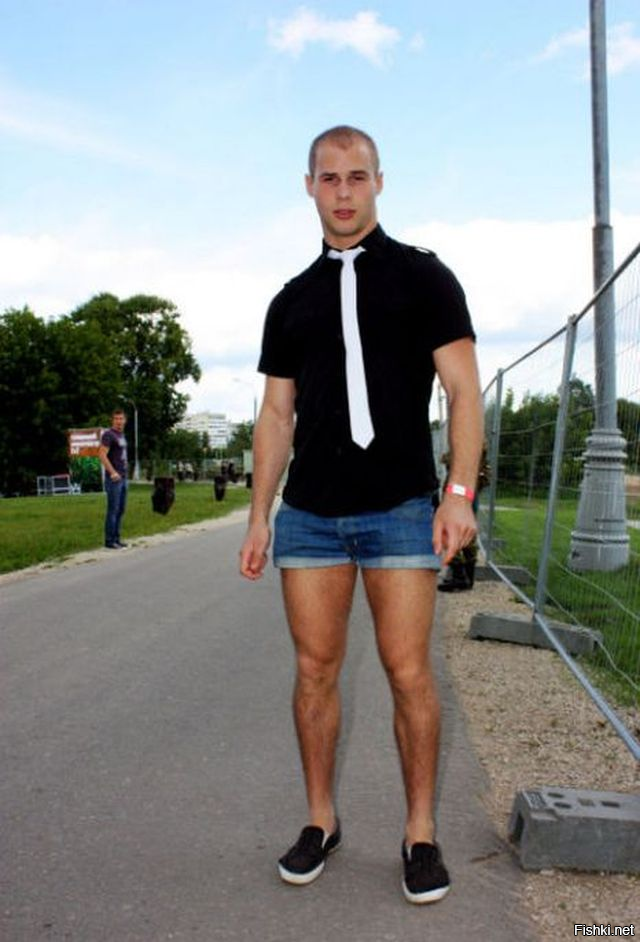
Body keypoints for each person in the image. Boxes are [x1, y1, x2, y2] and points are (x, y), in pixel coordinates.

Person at [239, 126, 483, 904]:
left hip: (402, 508)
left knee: (408, 672)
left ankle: (420, 833)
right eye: (329, 178)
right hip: (311, 516)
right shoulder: (290, 300)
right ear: (308, 185)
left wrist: (458, 494)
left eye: (356, 176)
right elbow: (276, 415)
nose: (343, 192)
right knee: (314, 671)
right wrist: (259, 515)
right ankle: (320, 820)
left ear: (380, 181)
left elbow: (464, 393)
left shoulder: (424, 278)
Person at [438, 445, 490, 592]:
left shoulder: (465, 450)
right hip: (468, 491)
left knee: (451, 532)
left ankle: (459, 576)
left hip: (460, 492)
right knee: (468, 535)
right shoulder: (476, 454)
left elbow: (447, 460)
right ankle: (468, 576)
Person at [98, 408, 129, 549]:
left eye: (121, 418)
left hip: (124, 477)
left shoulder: (121, 435)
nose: (119, 421)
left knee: (121, 509)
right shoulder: (108, 435)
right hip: (114, 479)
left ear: (125, 420)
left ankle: (117, 538)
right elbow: (102, 455)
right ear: (112, 420)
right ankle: (109, 541)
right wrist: (112, 472)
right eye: (116, 419)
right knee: (113, 509)